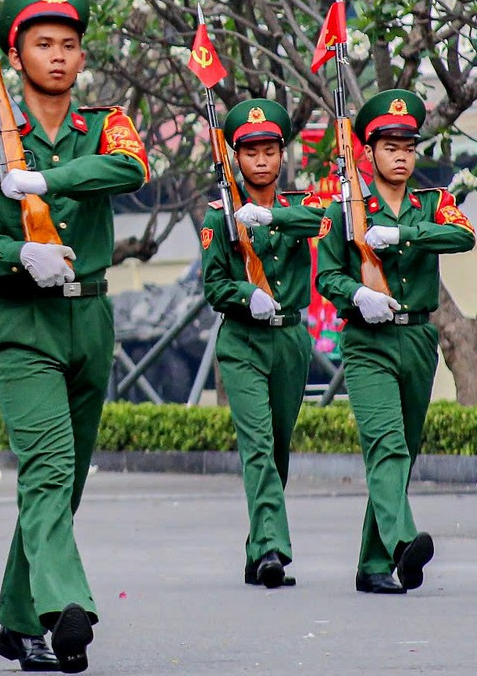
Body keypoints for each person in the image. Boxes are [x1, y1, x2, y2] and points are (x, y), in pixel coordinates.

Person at [0, 0, 150, 674]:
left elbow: (132, 167)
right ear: (16, 53)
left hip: (91, 314)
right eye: (44, 43)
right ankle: (59, 609)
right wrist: (18, 252)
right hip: (24, 322)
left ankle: (14, 613)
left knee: (63, 482)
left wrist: (49, 181)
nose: (60, 56)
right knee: (47, 466)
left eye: (69, 43)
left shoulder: (103, 125)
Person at [313, 89, 476, 596]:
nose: (401, 156)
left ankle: (372, 564)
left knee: (401, 451)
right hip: (368, 340)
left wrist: (402, 235)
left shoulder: (433, 203)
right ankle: (405, 541)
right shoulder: (347, 206)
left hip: (419, 336)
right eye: (390, 147)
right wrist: (359, 293)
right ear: (370, 151)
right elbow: (327, 277)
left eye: (409, 147)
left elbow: (463, 236)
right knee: (385, 445)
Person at [198, 99, 324, 591]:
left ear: (282, 154)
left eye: (270, 150)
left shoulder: (301, 207)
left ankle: (257, 545)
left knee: (279, 446)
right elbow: (214, 286)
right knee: (257, 446)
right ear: (236, 157)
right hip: (243, 341)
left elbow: (329, 226)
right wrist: (246, 294)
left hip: (290, 338)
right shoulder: (218, 217)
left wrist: (271, 220)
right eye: (251, 152)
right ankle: (273, 548)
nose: (262, 161)